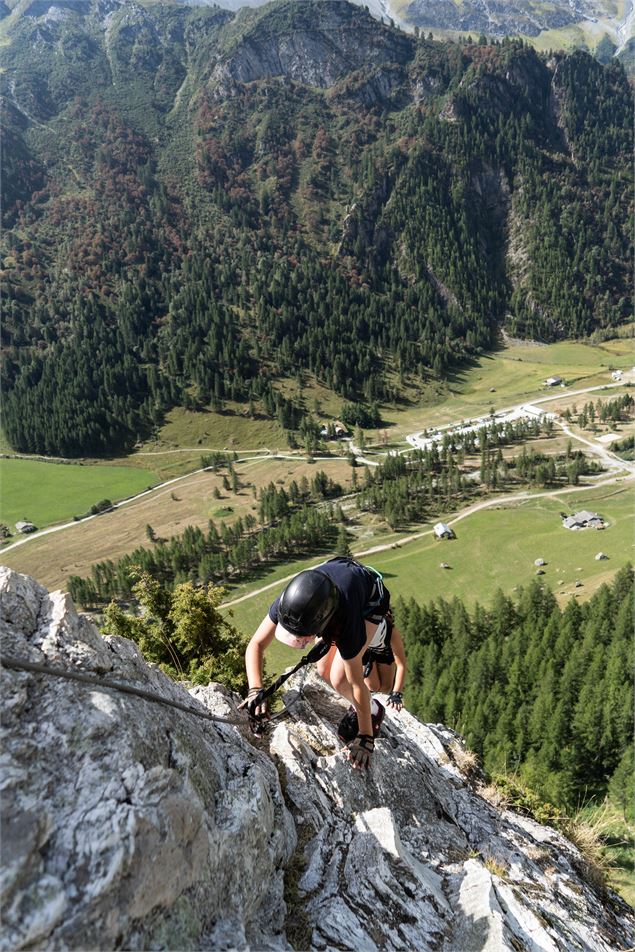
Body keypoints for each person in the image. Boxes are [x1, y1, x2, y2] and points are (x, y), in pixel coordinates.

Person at [245, 557, 407, 771]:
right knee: (323, 669)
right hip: (332, 590)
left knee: (340, 678)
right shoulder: (290, 601)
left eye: (305, 636)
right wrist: (255, 688)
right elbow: (256, 644)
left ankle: (372, 710)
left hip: (369, 601)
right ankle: (366, 706)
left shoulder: (348, 622)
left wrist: (366, 737)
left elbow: (357, 682)